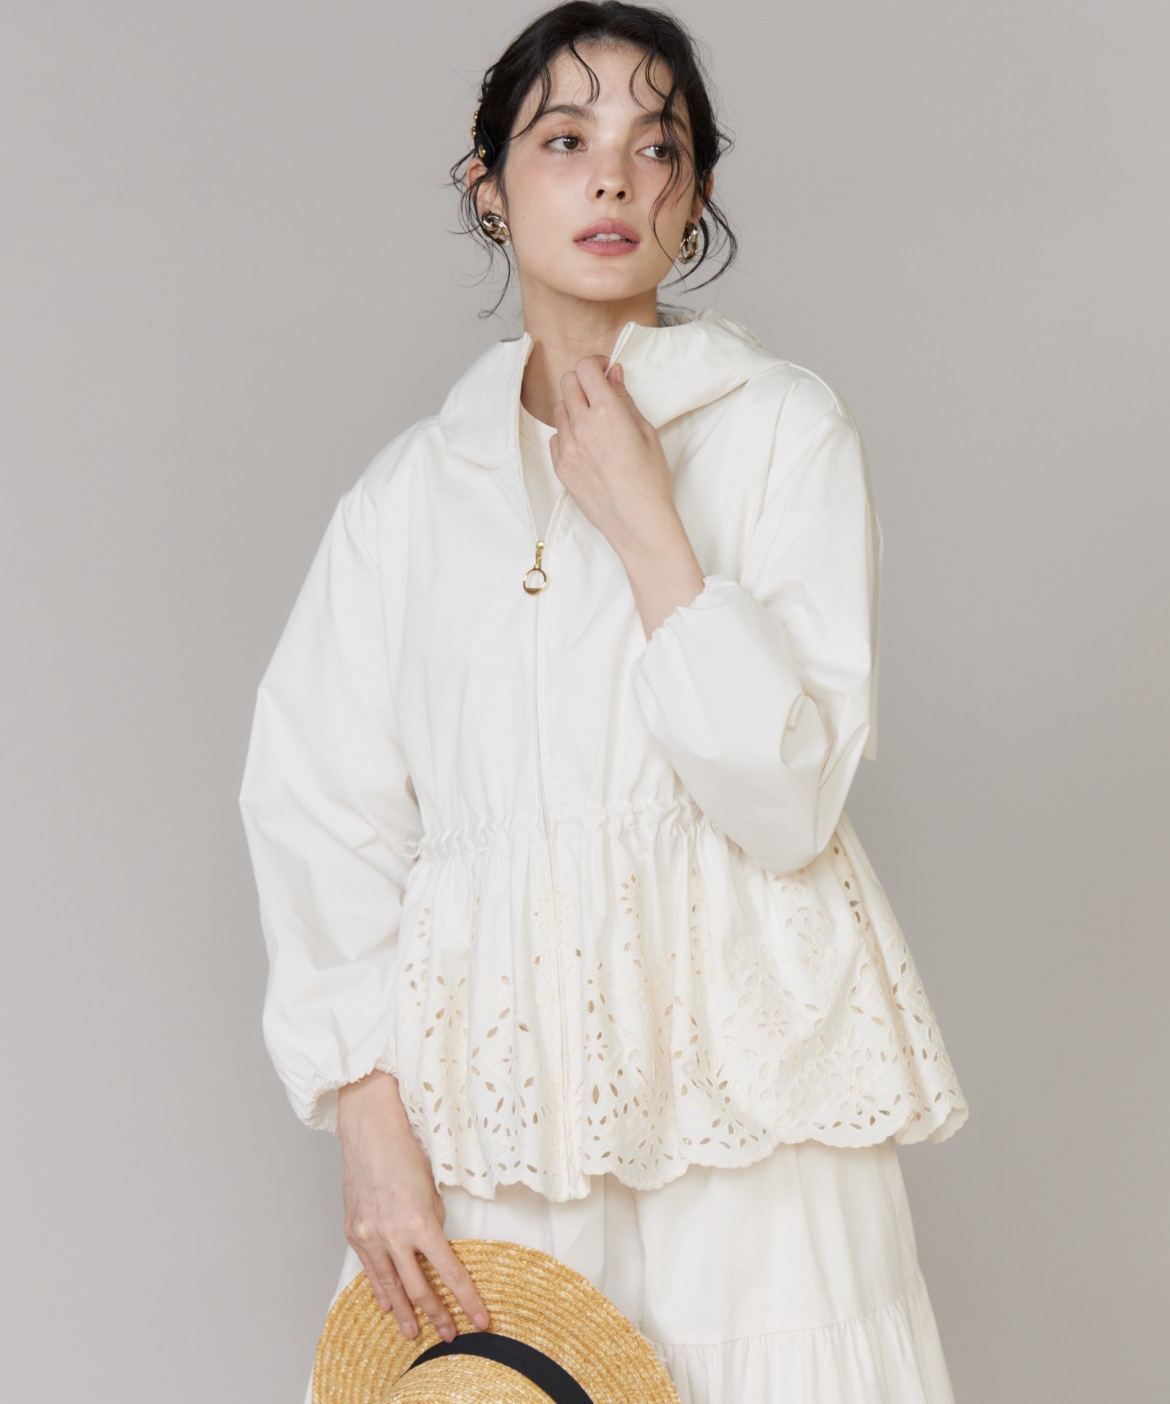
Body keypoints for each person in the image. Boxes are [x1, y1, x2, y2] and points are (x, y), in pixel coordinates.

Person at [238, 4, 969, 1401]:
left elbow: (783, 805)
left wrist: (649, 530)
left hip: (746, 1097)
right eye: (565, 140)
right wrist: (366, 1120)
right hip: (494, 1102)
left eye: (657, 145)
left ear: (693, 195)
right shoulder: (409, 496)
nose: (615, 178)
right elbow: (316, 812)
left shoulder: (780, 429)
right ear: (489, 185)